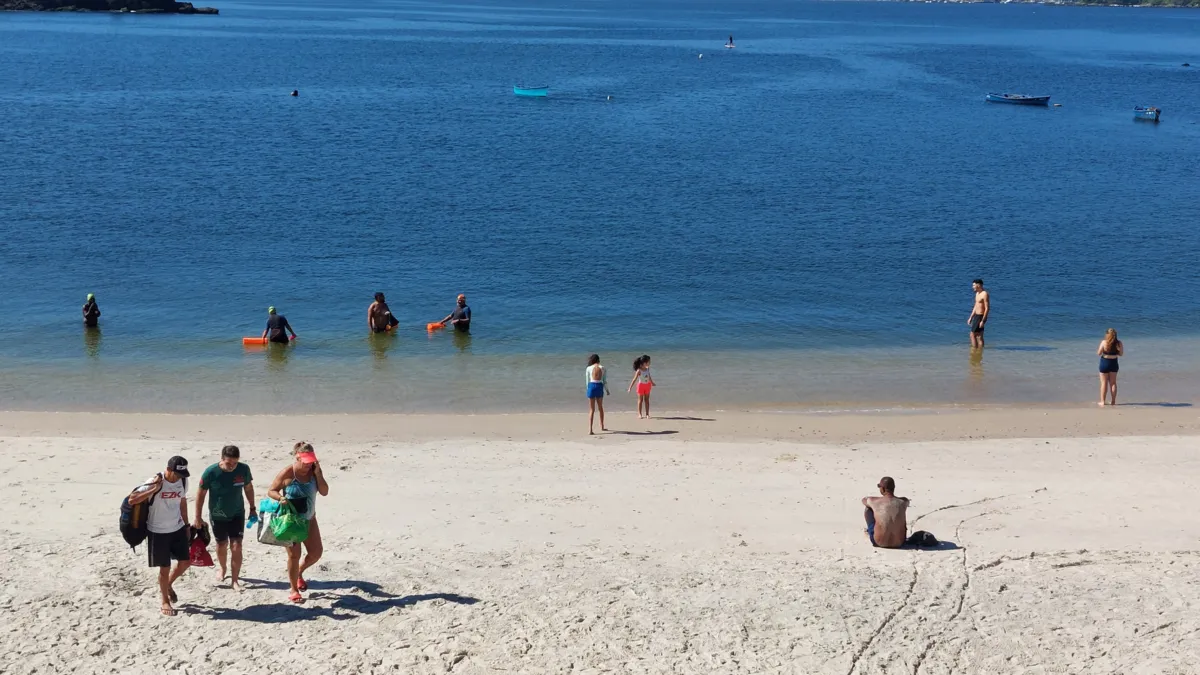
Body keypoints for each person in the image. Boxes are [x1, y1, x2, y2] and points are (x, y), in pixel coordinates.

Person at [126, 456, 191, 616]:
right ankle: (164, 601)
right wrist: (153, 490)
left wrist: (187, 525)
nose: (178, 478)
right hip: (158, 531)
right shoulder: (155, 481)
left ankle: (168, 584)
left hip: (177, 527)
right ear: (168, 469)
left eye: (181, 475)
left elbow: (182, 502)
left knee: (185, 562)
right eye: (176, 474)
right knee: (164, 567)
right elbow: (131, 499)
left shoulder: (183, 481)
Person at [267, 442, 329, 603]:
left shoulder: (315, 472)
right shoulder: (288, 472)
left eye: (312, 461)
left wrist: (319, 473)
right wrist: (281, 498)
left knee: (316, 553)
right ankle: (294, 589)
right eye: (306, 461)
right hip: (291, 520)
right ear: (298, 457)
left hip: (309, 518)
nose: (309, 464)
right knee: (294, 555)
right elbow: (271, 490)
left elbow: (324, 492)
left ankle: (299, 572)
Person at [193, 445, 255, 592]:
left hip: (237, 514)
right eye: (229, 463)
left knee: (236, 546)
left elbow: (248, 488)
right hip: (217, 515)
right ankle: (222, 568)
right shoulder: (211, 472)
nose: (232, 466)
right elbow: (201, 494)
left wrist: (252, 508)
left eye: (235, 463)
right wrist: (197, 517)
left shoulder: (243, 469)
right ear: (222, 459)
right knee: (221, 545)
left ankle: (235, 580)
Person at [862, 476, 909, 549]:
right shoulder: (903, 502)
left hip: (879, 542)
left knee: (868, 509)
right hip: (899, 542)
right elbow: (905, 500)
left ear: (883, 489)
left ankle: (871, 530)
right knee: (900, 510)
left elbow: (864, 500)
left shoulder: (874, 501)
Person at [1097, 328, 1124, 407]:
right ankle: (1113, 401)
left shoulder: (1104, 342)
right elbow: (1121, 354)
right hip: (1113, 362)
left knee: (1103, 383)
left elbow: (1099, 353)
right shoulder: (1119, 343)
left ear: (1107, 334)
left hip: (1104, 362)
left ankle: (1102, 401)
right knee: (1113, 383)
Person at [627, 355, 656, 419]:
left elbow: (649, 376)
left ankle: (647, 414)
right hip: (641, 386)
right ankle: (639, 414)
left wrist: (652, 382)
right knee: (640, 400)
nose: (650, 363)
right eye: (649, 361)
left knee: (647, 400)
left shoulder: (648, 368)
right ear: (644, 363)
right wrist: (630, 387)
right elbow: (634, 379)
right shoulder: (639, 370)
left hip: (647, 385)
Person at [585, 354, 608, 435]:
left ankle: (590, 429)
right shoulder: (603, 368)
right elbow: (604, 381)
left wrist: (588, 389)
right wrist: (607, 390)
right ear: (598, 360)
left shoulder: (588, 368)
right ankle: (602, 426)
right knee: (600, 407)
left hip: (591, 386)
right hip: (599, 386)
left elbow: (587, 381)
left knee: (592, 409)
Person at [967, 279, 989, 349]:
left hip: (980, 316)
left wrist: (983, 320)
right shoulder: (977, 293)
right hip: (976, 316)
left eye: (974, 285)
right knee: (979, 336)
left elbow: (987, 308)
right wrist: (971, 317)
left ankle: (974, 350)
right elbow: (976, 306)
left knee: (972, 334)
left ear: (978, 285)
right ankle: (980, 351)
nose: (972, 287)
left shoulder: (984, 294)